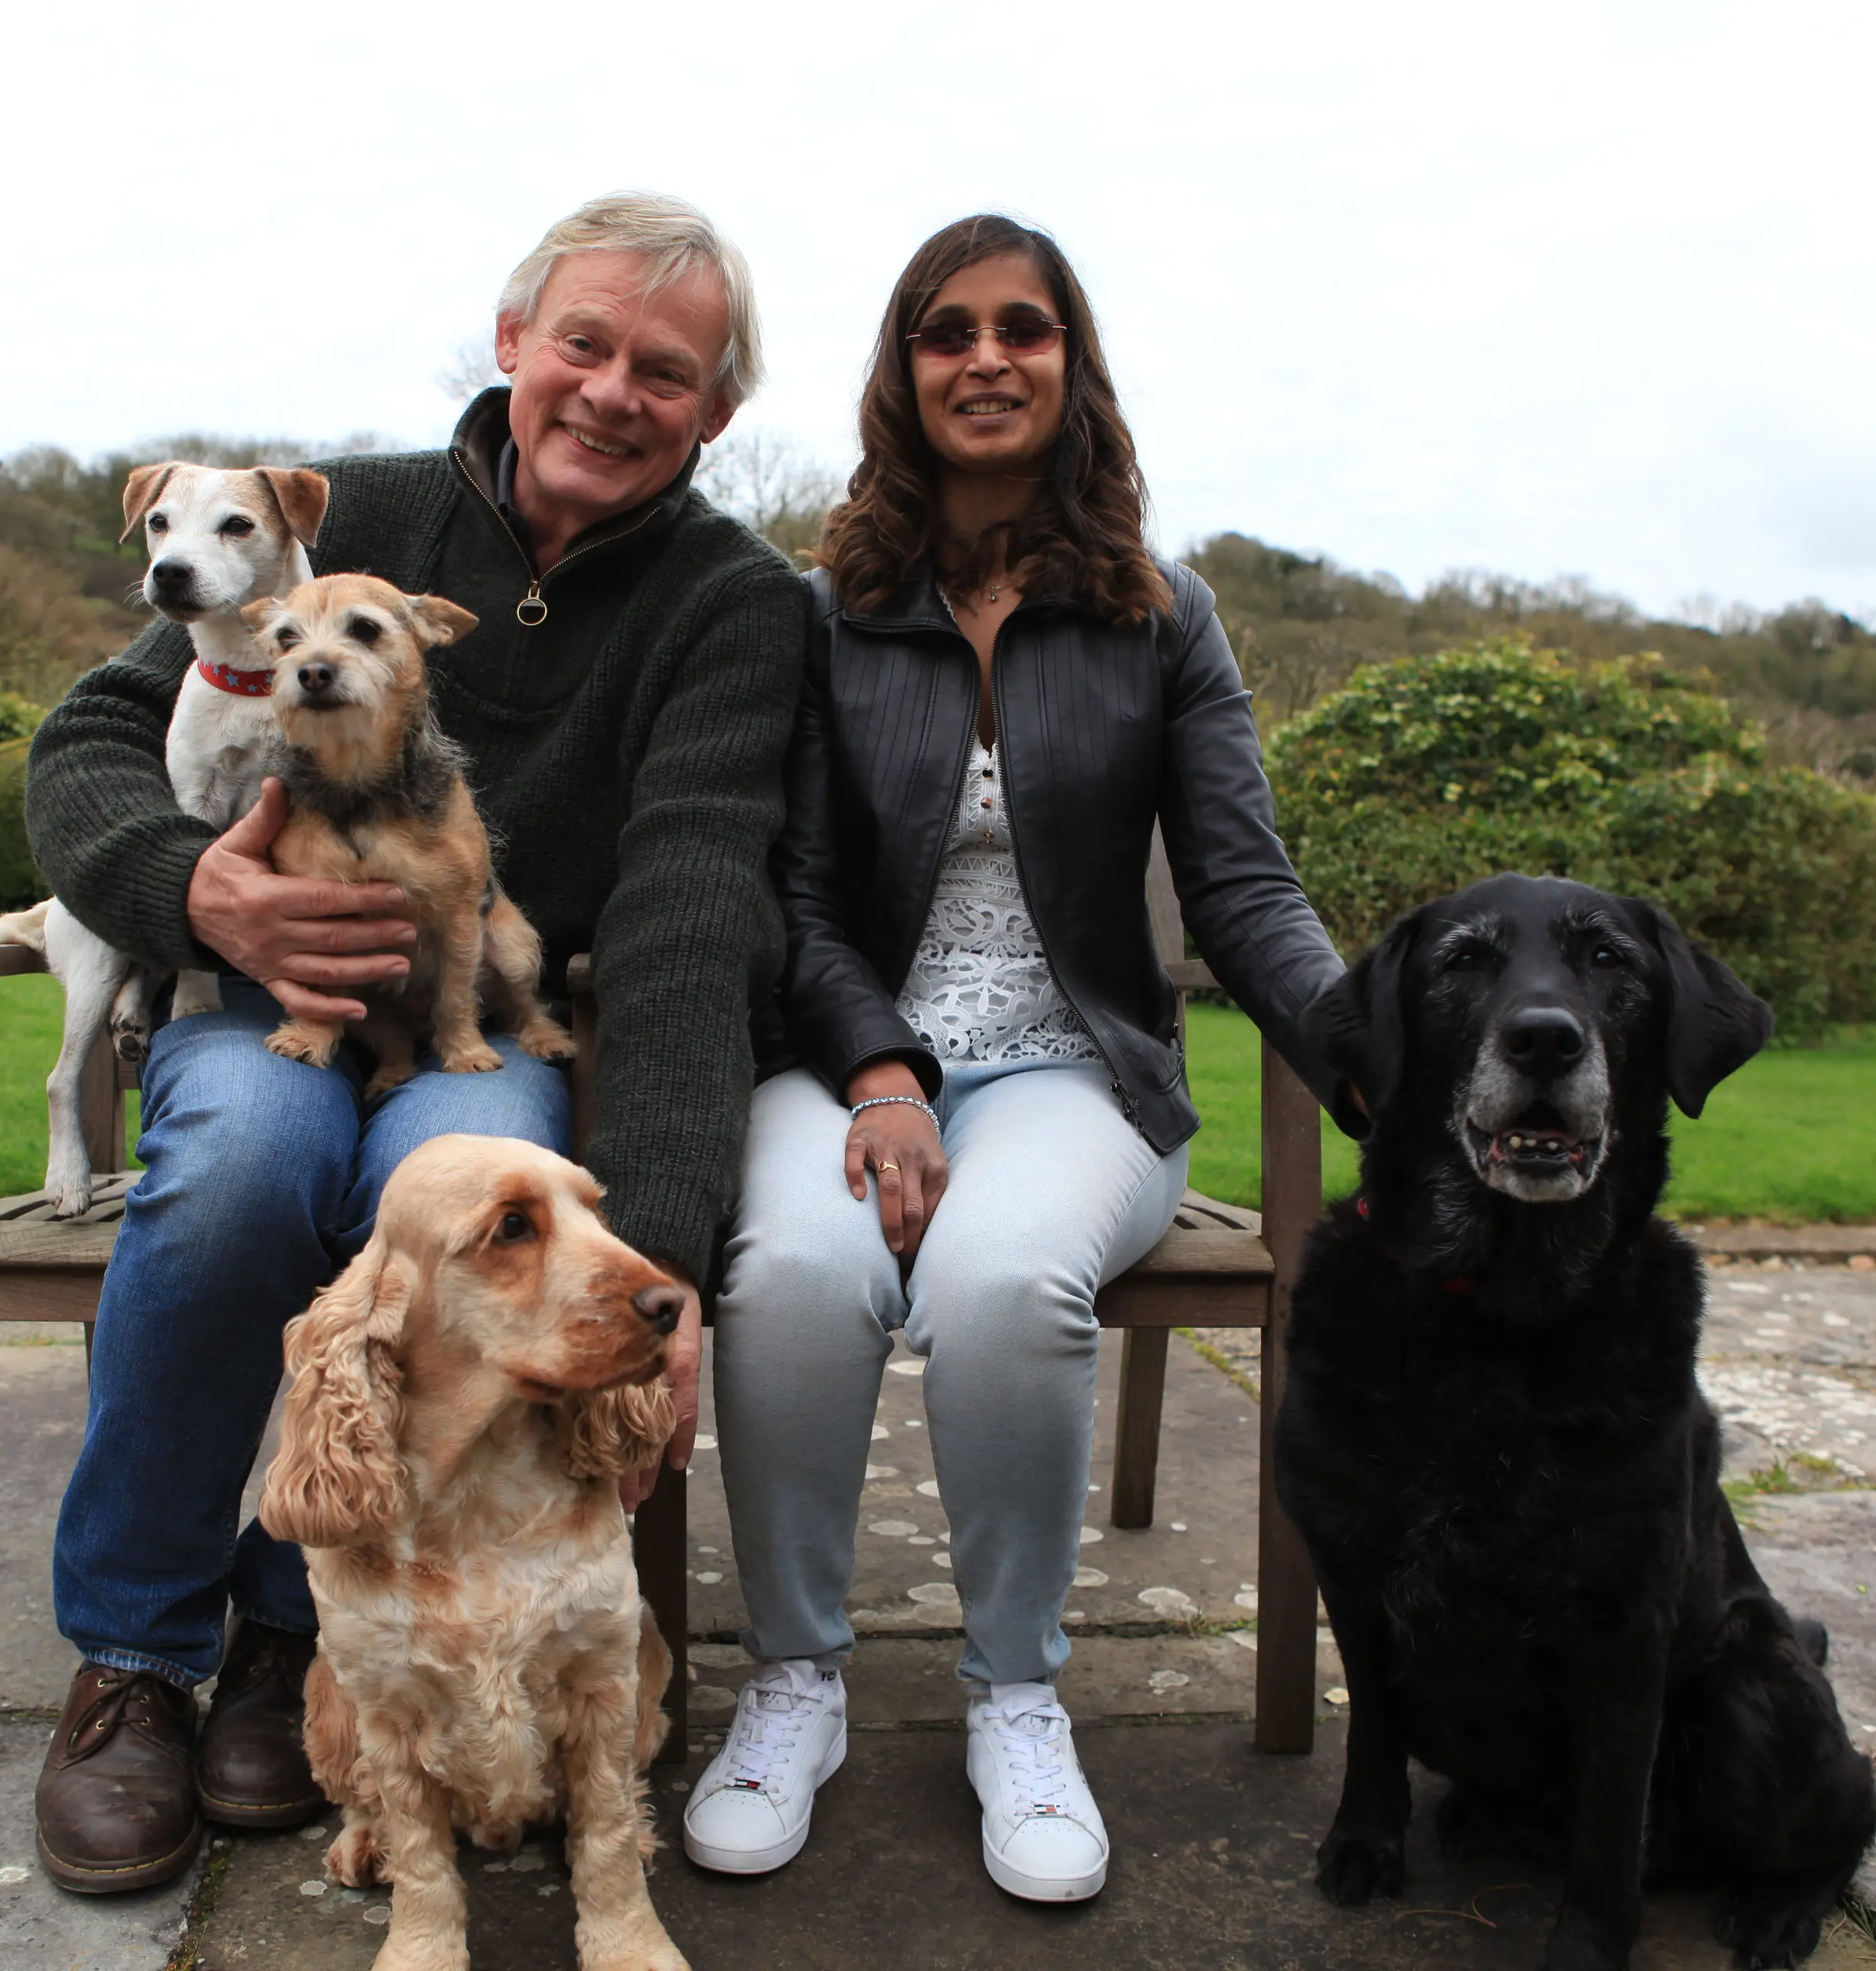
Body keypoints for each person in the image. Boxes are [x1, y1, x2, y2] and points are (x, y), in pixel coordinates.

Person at [22, 193, 805, 1895]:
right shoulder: (339, 516)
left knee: (465, 1212)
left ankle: (298, 1634)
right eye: (582, 343)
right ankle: (137, 1657)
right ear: (514, 342)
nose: (612, 391)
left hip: (474, 1030)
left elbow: (691, 903)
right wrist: (191, 894)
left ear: (717, 410)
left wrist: (662, 1243)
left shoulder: (732, 602)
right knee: (239, 1173)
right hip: (262, 999)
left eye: (665, 370)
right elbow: (92, 737)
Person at [681, 214, 1349, 1902]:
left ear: (1071, 362)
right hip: (843, 1058)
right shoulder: (824, 613)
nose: (986, 357)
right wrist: (883, 1073)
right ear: (903, 372)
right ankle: (796, 1678)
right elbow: (795, 893)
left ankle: (1016, 1697)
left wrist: (1370, 1053)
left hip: (1077, 1069)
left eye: (1022, 327)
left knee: (998, 1283)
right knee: (793, 1273)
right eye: (948, 330)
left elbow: (1242, 887)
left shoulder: (1163, 616)